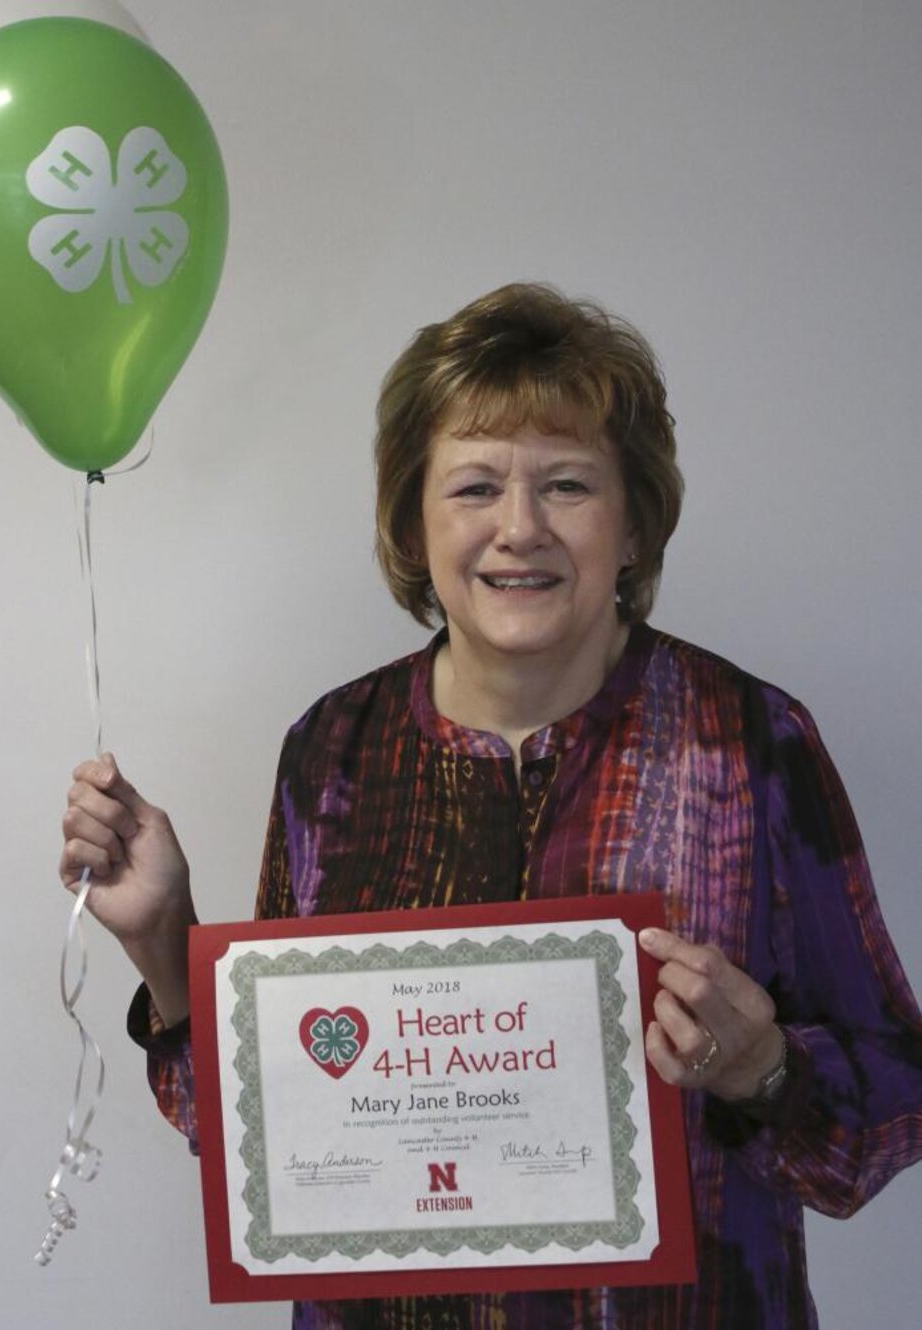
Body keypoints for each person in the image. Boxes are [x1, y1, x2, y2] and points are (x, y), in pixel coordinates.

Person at [60, 283, 922, 1330]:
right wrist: (164, 944)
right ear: (412, 526)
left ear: (635, 522)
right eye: (474, 487)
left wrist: (764, 1067)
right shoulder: (331, 752)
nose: (520, 529)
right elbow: (279, 1144)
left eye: (568, 484)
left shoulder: (748, 740)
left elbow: (892, 1105)